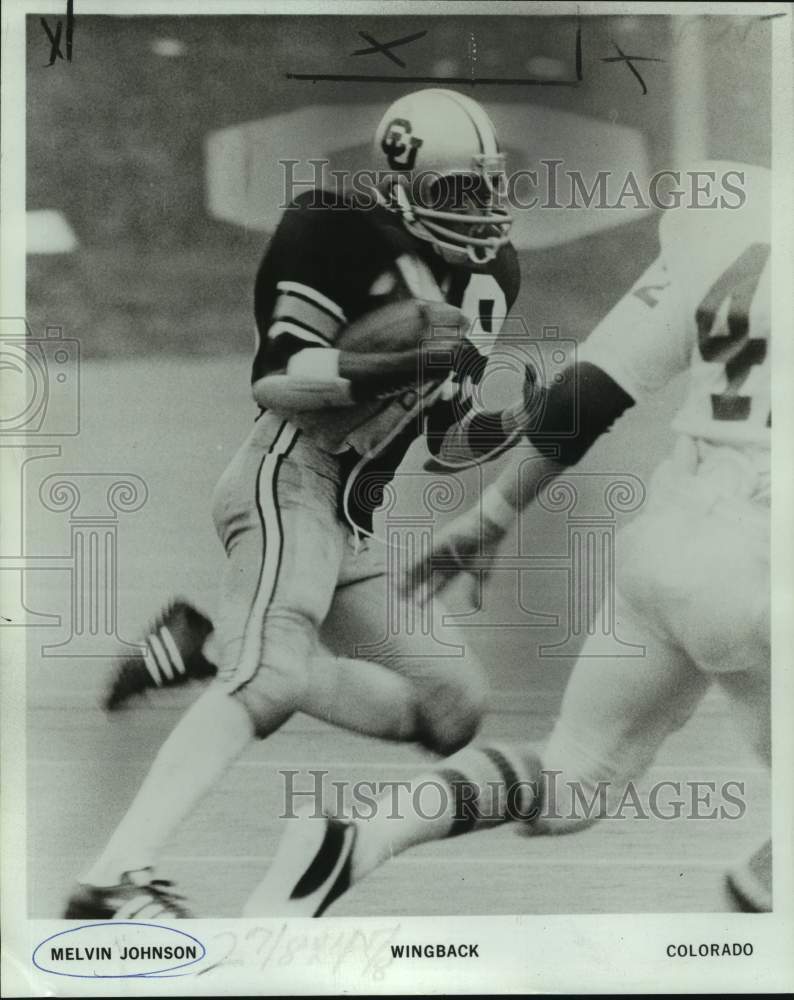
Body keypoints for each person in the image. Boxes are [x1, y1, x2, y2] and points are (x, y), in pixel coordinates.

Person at [242, 161, 773, 916]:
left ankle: (355, 838)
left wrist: (490, 516)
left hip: (668, 540)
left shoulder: (735, 216)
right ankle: (754, 920)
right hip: (765, 561)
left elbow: (590, 387)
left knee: (571, 781)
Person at [64, 88, 525, 919]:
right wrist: (398, 364)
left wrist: (506, 426)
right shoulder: (335, 226)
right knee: (270, 675)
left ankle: (210, 648)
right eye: (459, 189)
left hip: (351, 519)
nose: (483, 207)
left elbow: (445, 438)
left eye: (490, 184)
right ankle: (110, 878)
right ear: (401, 182)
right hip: (287, 479)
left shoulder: (494, 273)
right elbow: (277, 377)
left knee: (454, 707)